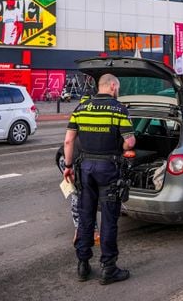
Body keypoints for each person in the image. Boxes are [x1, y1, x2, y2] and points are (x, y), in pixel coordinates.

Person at [63, 73, 136, 284]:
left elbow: (68, 141)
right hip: (109, 169)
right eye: (118, 88)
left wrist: (68, 167)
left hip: (85, 169)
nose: (118, 91)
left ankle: (83, 266)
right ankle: (108, 268)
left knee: (86, 217)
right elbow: (129, 142)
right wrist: (123, 146)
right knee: (109, 220)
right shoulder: (119, 109)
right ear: (113, 86)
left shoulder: (80, 108)